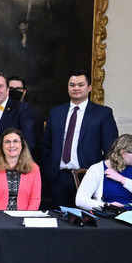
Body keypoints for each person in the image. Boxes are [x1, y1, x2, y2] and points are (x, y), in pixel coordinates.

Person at [42, 70, 118, 208]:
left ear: (89, 88)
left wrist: (102, 176)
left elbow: (111, 149)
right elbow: (47, 144)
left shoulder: (103, 113)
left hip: (87, 176)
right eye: (72, 85)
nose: (76, 88)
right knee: (59, 220)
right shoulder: (56, 112)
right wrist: (48, 170)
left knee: (85, 221)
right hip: (58, 177)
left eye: (80, 85)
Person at [75, 134, 132, 211]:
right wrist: (107, 205)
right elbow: (80, 201)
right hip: (108, 216)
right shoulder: (97, 169)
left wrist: (121, 179)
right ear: (123, 153)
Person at [0, 128, 41, 210]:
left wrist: (27, 217)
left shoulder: (34, 168)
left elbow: (35, 199)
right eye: (7, 142)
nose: (12, 145)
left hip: (24, 218)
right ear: (2, 145)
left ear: (22, 145)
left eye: (15, 141)